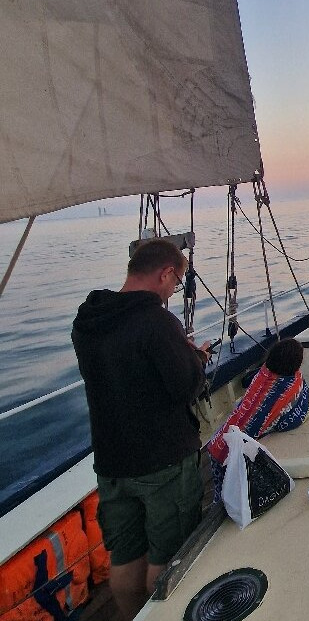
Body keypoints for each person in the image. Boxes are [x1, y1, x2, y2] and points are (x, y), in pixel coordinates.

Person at [72, 239, 211, 620]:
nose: (172, 291)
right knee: (169, 559)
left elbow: (122, 371)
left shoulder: (88, 320)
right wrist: (195, 357)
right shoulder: (156, 322)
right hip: (162, 461)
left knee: (126, 559)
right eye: (176, 283)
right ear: (165, 273)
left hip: (112, 463)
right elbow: (185, 386)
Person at [206, 338, 309, 501]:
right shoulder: (290, 386)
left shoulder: (263, 374)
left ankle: (220, 497)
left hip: (218, 445)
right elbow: (291, 417)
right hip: (229, 452)